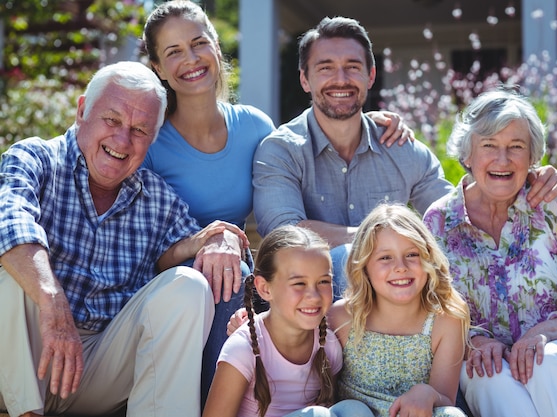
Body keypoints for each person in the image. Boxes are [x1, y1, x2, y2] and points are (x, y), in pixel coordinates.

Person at [141, 1, 415, 398]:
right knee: (223, 270)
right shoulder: (149, 141)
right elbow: (144, 249)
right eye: (173, 52)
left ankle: (324, 395)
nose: (191, 59)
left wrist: (367, 118)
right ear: (158, 69)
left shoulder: (253, 126)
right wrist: (205, 242)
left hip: (239, 267)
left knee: (292, 269)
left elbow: (309, 132)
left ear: (217, 47)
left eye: (199, 43)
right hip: (179, 277)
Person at [252, 16, 557, 301]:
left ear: (371, 75)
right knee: (342, 258)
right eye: (325, 68)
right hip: (308, 305)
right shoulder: (281, 150)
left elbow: (455, 218)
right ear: (305, 79)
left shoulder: (401, 147)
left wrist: (525, 176)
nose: (341, 79)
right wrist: (381, 239)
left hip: (399, 306)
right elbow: (287, 234)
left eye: (353, 67)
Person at [0, 61, 248, 417]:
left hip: (98, 368)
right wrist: (53, 302)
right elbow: (9, 221)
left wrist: (218, 238)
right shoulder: (34, 158)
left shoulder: (155, 197)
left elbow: (186, 244)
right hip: (20, 362)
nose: (122, 140)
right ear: (83, 110)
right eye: (112, 120)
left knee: (188, 285)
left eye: (140, 130)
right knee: (12, 273)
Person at [422, 88, 557, 417]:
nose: (503, 160)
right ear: (467, 155)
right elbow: (432, 313)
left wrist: (541, 335)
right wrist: (473, 340)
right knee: (487, 377)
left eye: (516, 147)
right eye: (489, 146)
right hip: (491, 367)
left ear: (532, 157)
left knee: (551, 361)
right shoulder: (439, 222)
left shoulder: (555, 204)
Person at [203, 225, 374, 417]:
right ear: (265, 289)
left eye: (323, 281)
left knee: (354, 410)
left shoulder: (328, 346)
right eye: (299, 283)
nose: (314, 296)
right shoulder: (243, 349)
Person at [327, 203, 470, 417]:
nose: (400, 267)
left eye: (412, 254)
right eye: (385, 257)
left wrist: (427, 393)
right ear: (364, 266)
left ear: (428, 258)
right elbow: (324, 393)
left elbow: (445, 398)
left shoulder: (446, 320)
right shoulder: (342, 317)